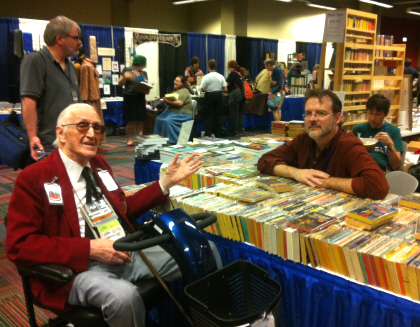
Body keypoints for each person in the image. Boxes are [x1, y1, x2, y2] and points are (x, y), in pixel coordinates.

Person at [6, 103, 222, 327]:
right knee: (123, 298)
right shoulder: (34, 177)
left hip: (124, 251)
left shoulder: (99, 165)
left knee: (204, 250)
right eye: (82, 126)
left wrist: (164, 183)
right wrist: (90, 248)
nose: (92, 134)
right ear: (60, 133)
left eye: (97, 128)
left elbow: (122, 209)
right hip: (78, 267)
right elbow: (20, 245)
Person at [257, 89, 389, 200]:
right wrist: (295, 173)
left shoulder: (349, 145)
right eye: (308, 113)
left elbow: (378, 187)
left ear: (337, 118)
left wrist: (326, 181)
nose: (313, 119)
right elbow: (264, 161)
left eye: (321, 113)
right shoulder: (303, 139)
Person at [20, 15, 82, 161]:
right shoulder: (35, 60)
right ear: (60, 39)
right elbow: (29, 101)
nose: (79, 42)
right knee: (51, 182)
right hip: (47, 144)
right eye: (75, 38)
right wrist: (33, 137)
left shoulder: (70, 66)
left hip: (70, 141)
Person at [352, 94, 403, 171]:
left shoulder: (394, 131)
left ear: (385, 114)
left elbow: (395, 166)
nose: (372, 118)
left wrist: (391, 145)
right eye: (370, 113)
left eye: (377, 114)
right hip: (360, 169)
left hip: (382, 172)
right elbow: (349, 157)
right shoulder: (358, 129)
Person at [118, 55, 149, 146]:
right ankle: (129, 139)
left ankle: (140, 138)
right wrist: (125, 77)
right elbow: (120, 83)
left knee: (140, 119)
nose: (142, 67)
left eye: (143, 65)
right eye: (141, 64)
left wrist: (147, 89)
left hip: (140, 97)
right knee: (131, 120)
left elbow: (145, 84)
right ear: (137, 63)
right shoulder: (127, 70)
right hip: (130, 97)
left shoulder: (144, 73)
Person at [154, 76, 193, 143]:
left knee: (167, 121)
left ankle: (170, 141)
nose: (175, 82)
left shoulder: (184, 91)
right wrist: (162, 101)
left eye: (177, 81)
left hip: (182, 114)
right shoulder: (175, 91)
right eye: (175, 80)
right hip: (171, 112)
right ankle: (159, 140)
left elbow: (179, 103)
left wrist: (167, 101)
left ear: (182, 83)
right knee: (158, 119)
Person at [200, 59, 227, 137]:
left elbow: (202, 89)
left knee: (209, 116)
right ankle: (218, 134)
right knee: (218, 116)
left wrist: (209, 89)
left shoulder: (206, 77)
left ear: (208, 67)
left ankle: (208, 134)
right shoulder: (221, 76)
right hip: (219, 96)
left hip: (209, 96)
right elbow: (225, 89)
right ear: (216, 66)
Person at [226, 60, 245, 137]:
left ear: (230, 67)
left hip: (234, 94)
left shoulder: (232, 73)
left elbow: (226, 84)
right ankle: (240, 130)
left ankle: (235, 131)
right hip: (242, 94)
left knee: (234, 113)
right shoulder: (239, 73)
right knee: (240, 113)